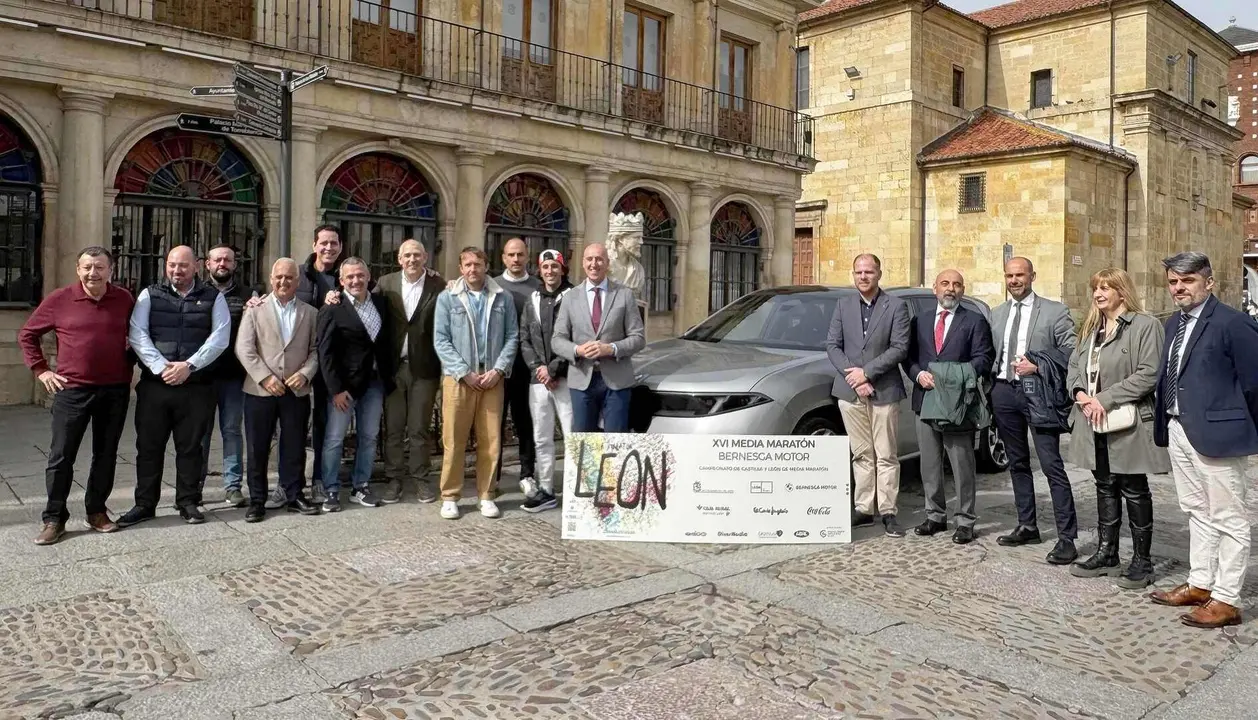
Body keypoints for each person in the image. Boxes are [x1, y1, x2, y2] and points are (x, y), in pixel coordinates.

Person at [1150, 252, 1258, 629]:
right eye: (1174, 282)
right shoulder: (1172, 325)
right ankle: (1201, 582)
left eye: (1188, 280)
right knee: (1196, 509)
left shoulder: (1233, 323)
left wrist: (1247, 431)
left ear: (1208, 282)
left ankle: (1227, 598)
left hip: (1219, 434)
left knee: (1229, 517)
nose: (1179, 288)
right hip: (1180, 427)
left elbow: (1254, 382)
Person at [19, 247, 134, 545]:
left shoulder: (124, 299)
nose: (92, 273)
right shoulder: (60, 299)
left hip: (114, 391)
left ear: (111, 270)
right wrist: (42, 370)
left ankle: (96, 512)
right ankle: (54, 518)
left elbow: (139, 335)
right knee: (60, 456)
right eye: (87, 267)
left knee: (106, 454)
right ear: (77, 269)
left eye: (99, 267)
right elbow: (27, 334)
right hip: (72, 391)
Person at [1065, 268, 1167, 589]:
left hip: (1128, 422)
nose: (1098, 293)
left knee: (1133, 488)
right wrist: (1081, 394)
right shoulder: (1091, 330)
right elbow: (1073, 369)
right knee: (1104, 484)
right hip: (1092, 420)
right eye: (1096, 287)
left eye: (1106, 287)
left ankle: (1142, 561)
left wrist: (1104, 399)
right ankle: (1107, 553)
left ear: (1122, 292)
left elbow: (1149, 373)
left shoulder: (1145, 326)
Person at [119, 246, 231, 526]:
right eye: (171, 265)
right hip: (156, 387)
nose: (176, 271)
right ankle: (144, 504)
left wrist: (188, 366)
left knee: (191, 447)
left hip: (196, 387)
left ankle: (188, 502)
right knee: (148, 447)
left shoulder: (213, 297)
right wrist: (161, 368)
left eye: (182, 265)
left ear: (196, 266)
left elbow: (219, 338)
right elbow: (138, 334)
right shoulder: (149, 295)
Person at [989, 257, 1079, 564]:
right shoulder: (997, 313)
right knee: (1016, 462)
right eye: (1010, 275)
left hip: (1038, 393)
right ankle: (1027, 524)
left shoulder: (1054, 311)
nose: (1014, 280)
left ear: (1032, 277)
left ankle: (1067, 537)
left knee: (1051, 464)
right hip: (1004, 392)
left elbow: (1071, 352)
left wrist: (1038, 365)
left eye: (1020, 275)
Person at [255, 224, 346, 508]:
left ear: (341, 247)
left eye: (334, 243)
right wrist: (254, 300)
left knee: (323, 426)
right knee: (291, 429)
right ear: (314, 244)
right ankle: (286, 485)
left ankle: (319, 479)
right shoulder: (300, 275)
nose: (328, 248)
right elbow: (275, 300)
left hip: (330, 365)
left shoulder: (347, 277)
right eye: (324, 243)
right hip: (296, 369)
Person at [902, 269, 994, 545]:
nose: (950, 288)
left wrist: (953, 375)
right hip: (926, 400)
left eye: (956, 284)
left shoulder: (974, 321)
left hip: (959, 405)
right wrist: (918, 374)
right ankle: (935, 516)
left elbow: (984, 358)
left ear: (962, 290)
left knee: (962, 464)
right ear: (935, 289)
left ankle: (965, 520)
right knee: (929, 464)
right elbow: (909, 357)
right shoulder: (920, 320)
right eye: (945, 283)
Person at [823, 253, 910, 537]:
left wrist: (867, 373)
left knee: (886, 454)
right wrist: (855, 377)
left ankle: (888, 511)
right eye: (859, 272)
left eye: (869, 272)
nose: (863, 276)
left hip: (884, 389)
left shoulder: (896, 306)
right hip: (850, 392)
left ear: (879, 274)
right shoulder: (843, 304)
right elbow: (833, 346)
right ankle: (863, 508)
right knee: (861, 453)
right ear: (853, 274)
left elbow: (899, 348)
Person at [433, 247, 519, 520]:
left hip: (491, 378)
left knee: (491, 440)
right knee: (454, 440)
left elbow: (512, 337)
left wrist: (498, 370)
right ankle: (450, 495)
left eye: (478, 264)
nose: (473, 269)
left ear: (486, 265)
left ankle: (487, 494)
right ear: (461, 268)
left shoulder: (501, 298)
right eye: (468, 264)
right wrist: (463, 372)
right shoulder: (448, 298)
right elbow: (441, 339)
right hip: (459, 379)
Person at [235, 258, 321, 523]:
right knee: (257, 447)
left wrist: (305, 374)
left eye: (290, 278)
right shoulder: (255, 310)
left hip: (296, 391)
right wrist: (264, 377)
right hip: (260, 391)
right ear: (271, 279)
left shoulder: (310, 313)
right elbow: (244, 348)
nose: (284, 282)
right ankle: (258, 500)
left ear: (297, 281)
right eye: (279, 277)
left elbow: (316, 350)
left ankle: (294, 494)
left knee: (294, 445)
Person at [315, 257, 395, 512]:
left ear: (368, 276)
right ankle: (331, 489)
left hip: (373, 384)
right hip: (343, 387)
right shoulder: (332, 308)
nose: (356, 280)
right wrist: (335, 390)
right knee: (335, 439)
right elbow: (324, 353)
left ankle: (361, 485)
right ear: (341, 281)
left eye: (360, 275)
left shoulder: (381, 303)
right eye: (349, 277)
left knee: (369, 437)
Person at [376, 239, 445, 504]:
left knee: (419, 428)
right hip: (394, 367)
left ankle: (420, 479)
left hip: (424, 368)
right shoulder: (385, 284)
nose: (412, 259)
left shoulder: (439, 285)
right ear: (399, 259)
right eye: (407, 255)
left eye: (417, 255)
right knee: (393, 427)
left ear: (425, 257)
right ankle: (394, 479)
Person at [551, 242, 646, 432]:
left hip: (617, 381)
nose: (594, 264)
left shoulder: (624, 295)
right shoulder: (570, 298)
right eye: (589, 259)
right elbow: (557, 339)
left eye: (599, 259)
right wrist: (577, 350)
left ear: (607, 263)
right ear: (583, 263)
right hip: (582, 379)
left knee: (616, 442)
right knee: (585, 446)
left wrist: (611, 348)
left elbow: (638, 338)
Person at [199, 243, 257, 508]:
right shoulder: (197, 292)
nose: (222, 264)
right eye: (217, 260)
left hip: (234, 376)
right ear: (207, 264)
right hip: (201, 377)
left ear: (234, 264)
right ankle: (194, 485)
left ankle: (232, 486)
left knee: (232, 431)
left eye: (227, 260)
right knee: (200, 433)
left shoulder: (248, 294)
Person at [518, 248, 575, 512]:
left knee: (572, 434)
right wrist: (538, 368)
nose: (550, 271)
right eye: (545, 267)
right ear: (539, 270)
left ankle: (577, 490)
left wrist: (553, 369)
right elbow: (524, 337)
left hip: (566, 377)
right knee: (541, 437)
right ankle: (546, 489)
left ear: (562, 269)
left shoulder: (574, 297)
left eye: (555, 266)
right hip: (537, 379)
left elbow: (577, 338)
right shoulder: (532, 298)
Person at [496, 238, 541, 496]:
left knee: (526, 422)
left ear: (527, 256)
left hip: (527, 367)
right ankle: (494, 475)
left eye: (520, 254)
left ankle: (527, 473)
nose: (515, 259)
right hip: (499, 367)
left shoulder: (537, 287)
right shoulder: (493, 286)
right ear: (503, 258)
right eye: (511, 255)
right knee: (494, 423)